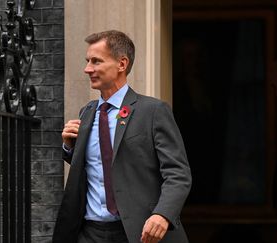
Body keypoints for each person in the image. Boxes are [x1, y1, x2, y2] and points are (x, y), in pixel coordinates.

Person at [52, 30, 192, 243]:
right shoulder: (87, 112)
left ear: (122, 64)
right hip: (89, 232)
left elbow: (178, 173)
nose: (88, 69)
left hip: (137, 232)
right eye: (88, 61)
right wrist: (70, 148)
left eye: (96, 61)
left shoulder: (153, 111)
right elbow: (101, 164)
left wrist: (162, 214)